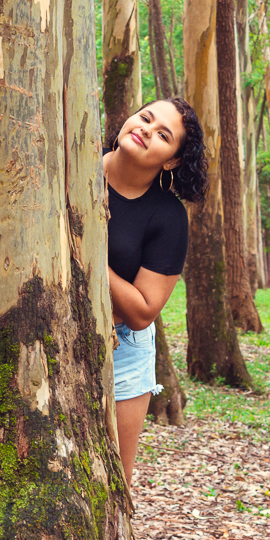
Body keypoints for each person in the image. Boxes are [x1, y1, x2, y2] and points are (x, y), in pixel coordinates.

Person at [105, 98, 209, 488]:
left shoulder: (168, 216)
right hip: (45, 329)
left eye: (163, 134)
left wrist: (89, 251)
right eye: (145, 118)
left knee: (114, 480)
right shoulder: (73, 166)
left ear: (171, 161)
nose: (147, 129)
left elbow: (144, 310)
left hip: (124, 348)